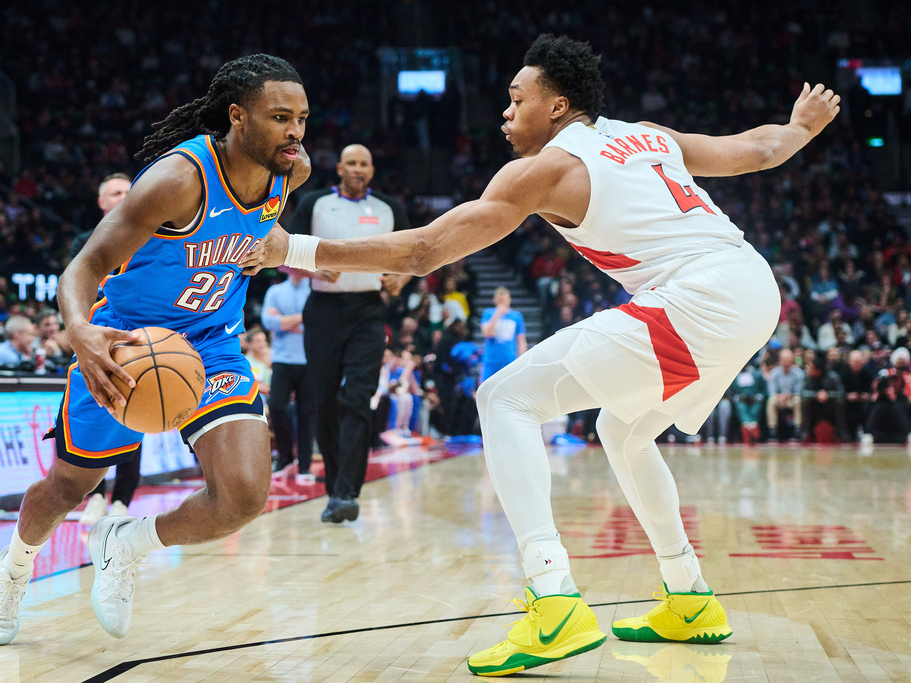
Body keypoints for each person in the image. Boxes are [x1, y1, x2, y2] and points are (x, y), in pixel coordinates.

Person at [245, 34, 840, 675]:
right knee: (624, 431)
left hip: (700, 298)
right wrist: (800, 127)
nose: (505, 112)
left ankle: (553, 599)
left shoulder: (548, 168)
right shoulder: (645, 135)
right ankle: (689, 595)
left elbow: (422, 252)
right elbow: (759, 150)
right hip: (753, 287)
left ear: (556, 106)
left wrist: (293, 249)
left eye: (516, 98)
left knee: (505, 398)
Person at [0, 54, 310, 646]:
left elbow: (260, 228)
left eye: (302, 118)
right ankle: (13, 570)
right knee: (69, 485)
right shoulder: (178, 180)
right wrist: (79, 329)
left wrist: (265, 245)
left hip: (210, 344)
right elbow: (86, 266)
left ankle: (125, 543)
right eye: (280, 118)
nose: (295, 133)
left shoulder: (291, 171)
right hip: (128, 342)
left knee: (242, 497)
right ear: (237, 116)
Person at [286, 143, 411, 524]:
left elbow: (414, 253)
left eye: (364, 164)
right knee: (323, 400)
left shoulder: (389, 208)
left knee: (357, 397)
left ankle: (346, 492)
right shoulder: (314, 203)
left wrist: (402, 278)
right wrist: (312, 268)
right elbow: (284, 252)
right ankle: (334, 489)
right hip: (323, 311)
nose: (358, 169)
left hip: (368, 311)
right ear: (339, 168)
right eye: (351, 163)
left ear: (371, 170)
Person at [77, 175, 143, 526]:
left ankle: (122, 501)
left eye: (129, 191)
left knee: (137, 414)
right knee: (95, 418)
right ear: (102, 203)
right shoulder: (85, 242)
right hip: (94, 339)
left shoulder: (153, 236)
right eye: (116, 192)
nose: (124, 196)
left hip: (138, 340)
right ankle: (96, 496)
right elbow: (75, 291)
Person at [260, 267, 314, 484]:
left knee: (307, 414)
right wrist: (302, 318)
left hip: (309, 360)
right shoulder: (275, 291)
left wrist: (284, 321)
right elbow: (269, 322)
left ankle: (305, 465)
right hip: (282, 359)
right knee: (276, 406)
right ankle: (285, 455)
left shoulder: (315, 290)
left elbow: (319, 324)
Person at [480, 286, 527, 383]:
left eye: (504, 299)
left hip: (509, 360)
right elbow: (487, 333)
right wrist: (497, 314)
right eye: (500, 300)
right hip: (491, 361)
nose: (502, 302)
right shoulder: (488, 313)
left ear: (509, 299)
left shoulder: (516, 316)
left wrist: (522, 360)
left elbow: (521, 339)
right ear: (495, 300)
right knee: (487, 388)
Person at [767, 348, 805, 441]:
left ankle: (797, 430)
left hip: (791, 399)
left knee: (798, 400)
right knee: (771, 401)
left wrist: (788, 395)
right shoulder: (774, 372)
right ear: (780, 360)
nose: (786, 361)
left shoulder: (799, 373)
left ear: (792, 360)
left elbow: (798, 391)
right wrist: (779, 396)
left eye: (788, 359)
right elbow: (771, 391)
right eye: (784, 359)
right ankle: (772, 431)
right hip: (779, 399)